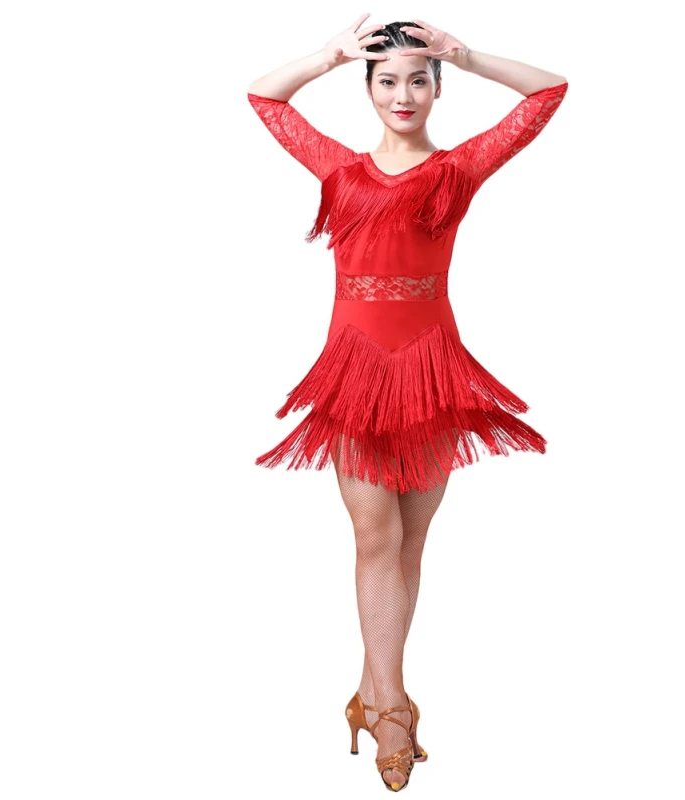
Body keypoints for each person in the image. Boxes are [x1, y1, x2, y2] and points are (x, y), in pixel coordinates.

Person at [247, 14, 568, 792]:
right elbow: (264, 98)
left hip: (431, 371)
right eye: (387, 80)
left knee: (410, 544)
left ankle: (371, 691)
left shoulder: (458, 169)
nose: (403, 95)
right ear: (368, 87)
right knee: (374, 535)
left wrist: (464, 52)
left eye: (418, 80)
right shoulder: (340, 168)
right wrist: (328, 55)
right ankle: (392, 709)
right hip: (356, 371)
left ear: (435, 89)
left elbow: (548, 94)